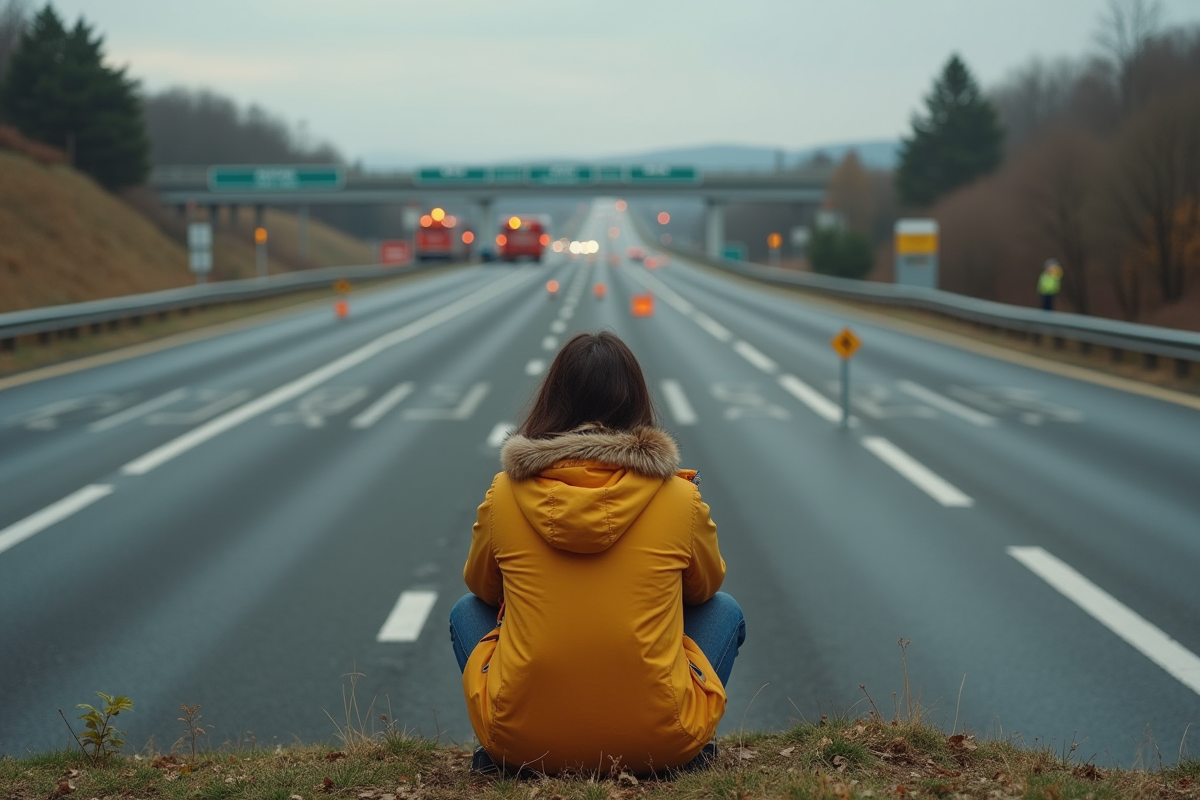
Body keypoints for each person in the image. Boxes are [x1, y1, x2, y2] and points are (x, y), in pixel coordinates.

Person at [449, 331, 745, 776]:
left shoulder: (506, 494)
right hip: (660, 743)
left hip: (522, 743)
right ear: (637, 404)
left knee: (464, 612)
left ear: (552, 401)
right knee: (725, 610)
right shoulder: (678, 498)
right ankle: (691, 744)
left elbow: (483, 591)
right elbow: (704, 591)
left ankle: (500, 753)